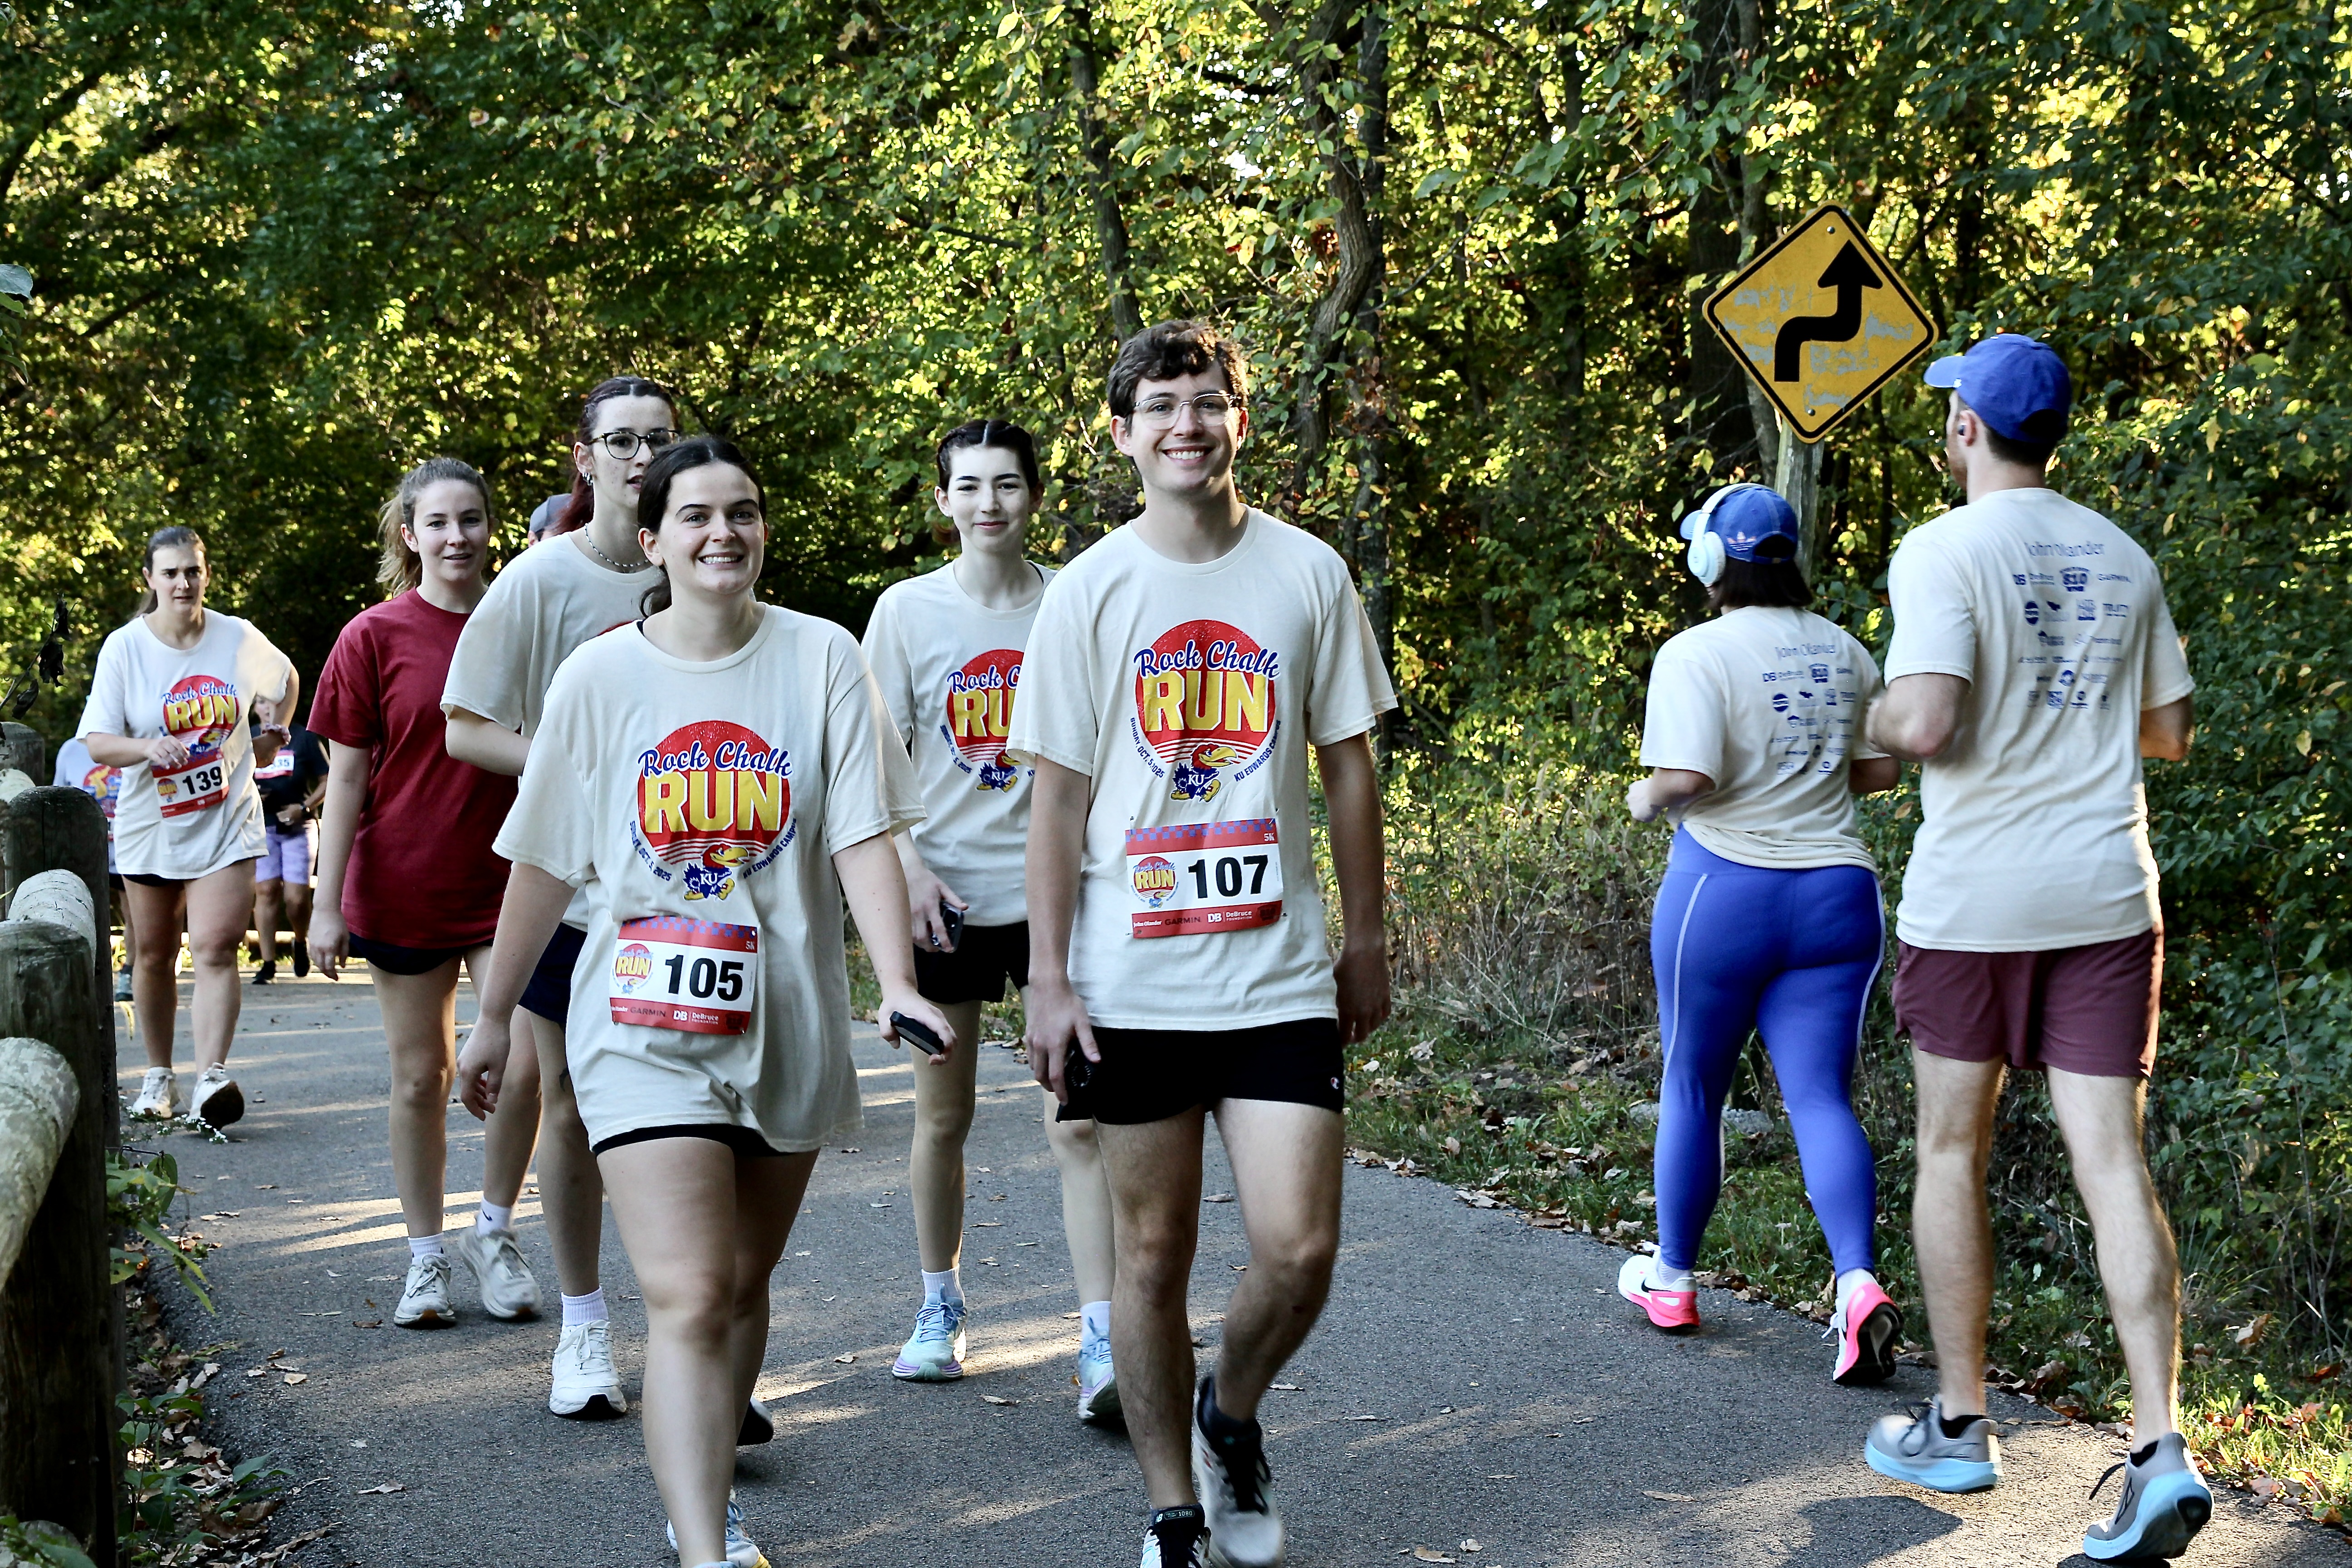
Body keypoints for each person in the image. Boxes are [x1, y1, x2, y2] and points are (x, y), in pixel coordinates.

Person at [453, 435, 950, 1568]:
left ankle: (709, 1474)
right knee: (687, 1288)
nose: (722, 531)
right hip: (639, 1021)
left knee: (740, 1285)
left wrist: (902, 985)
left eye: (744, 511)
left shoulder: (824, 656)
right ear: (653, 539)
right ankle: (702, 1542)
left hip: (787, 1016)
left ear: (763, 530)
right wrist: (490, 1017)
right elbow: (541, 859)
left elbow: (864, 831)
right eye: (696, 516)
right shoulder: (598, 675)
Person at [1007, 321, 1395, 1568]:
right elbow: (1058, 799)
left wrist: (1370, 935)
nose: (1186, 423)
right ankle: (1173, 1510)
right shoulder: (1089, 590)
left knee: (1300, 1248)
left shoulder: (1307, 573)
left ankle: (1231, 1415)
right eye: (1160, 405)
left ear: (1241, 418)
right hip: (1132, 981)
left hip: (1278, 971)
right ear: (1121, 433)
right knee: (1151, 1253)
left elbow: (1348, 770)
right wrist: (1051, 979)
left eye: (1207, 401)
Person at [1860, 334, 2207, 1561]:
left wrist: (1879, 715)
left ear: (1965, 429)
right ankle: (2162, 1446)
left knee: (1953, 1148)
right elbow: (2167, 733)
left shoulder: (1941, 550)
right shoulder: (2123, 554)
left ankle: (1961, 1423)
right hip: (2111, 893)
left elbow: (1931, 720)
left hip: (1977, 906)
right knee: (2114, 1161)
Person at [441, 375, 690, 1419]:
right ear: (582, 457)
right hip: (573, 895)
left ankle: (703, 1333)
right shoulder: (540, 582)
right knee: (577, 1107)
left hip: (694, 887)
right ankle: (584, 1332)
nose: (641, 457)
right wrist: (561, 758)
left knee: (700, 1118)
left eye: (659, 439)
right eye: (621, 441)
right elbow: (464, 721)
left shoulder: (705, 560)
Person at [861, 418, 1120, 1415]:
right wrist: (911, 871)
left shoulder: (1075, 601)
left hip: (1062, 899)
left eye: (1007, 485)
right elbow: (875, 763)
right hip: (947, 898)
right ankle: (939, 1307)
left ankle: (1100, 1339)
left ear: (1035, 496)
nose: (989, 505)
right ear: (943, 501)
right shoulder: (906, 611)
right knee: (945, 1115)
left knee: (1081, 1124)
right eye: (969, 487)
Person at [1620, 483, 1903, 1383]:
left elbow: (1688, 777)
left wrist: (1644, 794)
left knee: (1693, 1082)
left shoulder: (1693, 652)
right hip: (1837, 897)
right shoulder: (1850, 652)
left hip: (1725, 893)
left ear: (1713, 559)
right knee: (1819, 1094)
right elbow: (1882, 769)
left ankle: (1671, 1280)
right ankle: (1857, 1287)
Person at [309, 457, 546, 1330]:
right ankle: (423, 1256)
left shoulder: (524, 622)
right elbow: (345, 781)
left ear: (492, 528)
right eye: (438, 522)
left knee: (520, 1062)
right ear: (409, 534)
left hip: (511, 881)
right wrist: (324, 904)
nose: (457, 537)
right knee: (422, 1076)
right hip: (402, 882)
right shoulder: (372, 635)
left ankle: (494, 1230)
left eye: (472, 519)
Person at [80, 525, 295, 1127]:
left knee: (217, 948)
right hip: (154, 821)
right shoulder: (125, 648)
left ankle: (211, 1078)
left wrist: (272, 729)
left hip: (228, 816)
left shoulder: (238, 638)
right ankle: (158, 1075)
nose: (183, 582)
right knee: (151, 954)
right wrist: (148, 749)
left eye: (192, 571)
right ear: (149, 579)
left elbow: (286, 679)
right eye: (170, 572)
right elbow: (97, 741)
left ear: (206, 575)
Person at [53, 734, 137, 1000]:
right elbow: (59, 799)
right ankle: (88, 975)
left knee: (136, 915)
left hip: (132, 847)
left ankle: (129, 974)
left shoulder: (139, 741)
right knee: (84, 912)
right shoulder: (71, 750)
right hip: (88, 849)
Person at [248, 715, 328, 982]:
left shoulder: (304, 737)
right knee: (266, 891)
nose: (268, 708)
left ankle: (300, 941)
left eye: (274, 701)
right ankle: (268, 962)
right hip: (261, 826)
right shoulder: (246, 737)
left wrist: (305, 807)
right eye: (262, 701)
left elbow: (329, 780)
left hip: (299, 827)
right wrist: (252, 796)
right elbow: (228, 776)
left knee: (296, 898)